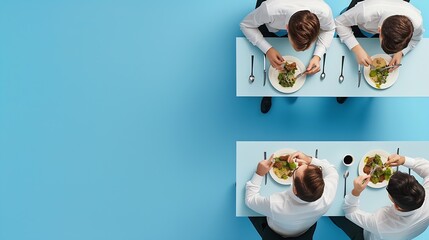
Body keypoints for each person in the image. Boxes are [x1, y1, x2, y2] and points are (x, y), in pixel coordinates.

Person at [240, 0, 335, 113]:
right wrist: (267, 49)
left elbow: (329, 29)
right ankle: (268, 92)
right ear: (287, 28)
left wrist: (317, 55)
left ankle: (292, 88)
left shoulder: (324, 12)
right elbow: (245, 25)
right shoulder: (269, 10)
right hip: (270, 18)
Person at [335, 0, 423, 104]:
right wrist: (357, 48)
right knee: (343, 51)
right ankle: (345, 88)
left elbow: (416, 38)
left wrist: (400, 53)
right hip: (361, 17)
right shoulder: (365, 12)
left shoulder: (416, 22)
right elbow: (339, 23)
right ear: (379, 31)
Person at [331, 154, 429, 240]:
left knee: (333, 213)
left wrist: (356, 191)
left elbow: (350, 211)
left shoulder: (381, 223)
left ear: (397, 206)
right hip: (407, 233)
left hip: (369, 235)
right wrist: (404, 160)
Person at [246, 151, 339, 239]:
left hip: (275, 235)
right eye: (305, 166)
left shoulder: (276, 203)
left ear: (295, 189)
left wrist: (259, 173)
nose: (299, 165)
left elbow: (250, 200)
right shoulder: (327, 196)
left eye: (296, 171)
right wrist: (308, 159)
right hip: (305, 234)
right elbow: (331, 170)